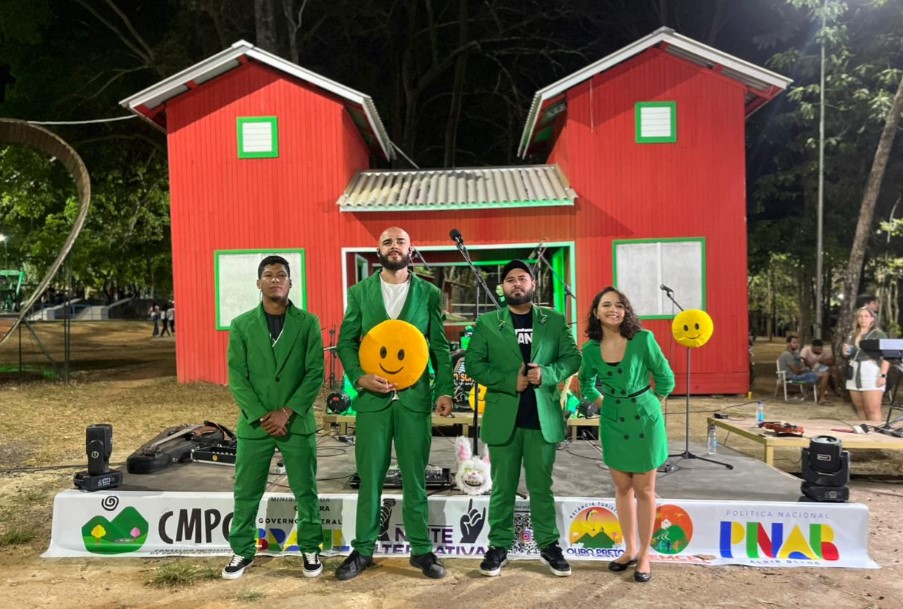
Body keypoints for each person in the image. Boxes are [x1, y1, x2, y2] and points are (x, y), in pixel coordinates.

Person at [335, 226, 454, 580]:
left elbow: (439, 347)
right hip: (373, 400)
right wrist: (358, 377)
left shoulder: (430, 294)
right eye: (387, 241)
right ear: (378, 250)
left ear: (411, 249)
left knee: (415, 477)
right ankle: (363, 549)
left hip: (414, 398)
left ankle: (421, 551)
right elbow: (345, 342)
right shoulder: (359, 293)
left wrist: (444, 389)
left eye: (400, 241)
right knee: (369, 476)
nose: (394, 246)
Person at [464, 260, 581, 578]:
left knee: (541, 487)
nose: (517, 284)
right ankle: (498, 545)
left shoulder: (554, 321)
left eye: (523, 278)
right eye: (510, 280)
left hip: (541, 419)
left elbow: (573, 357)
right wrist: (506, 380)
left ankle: (548, 545)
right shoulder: (488, 323)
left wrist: (549, 374)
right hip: (505, 418)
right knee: (502, 487)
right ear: (502, 288)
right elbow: (473, 364)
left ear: (533, 285)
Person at [222, 255, 325, 580]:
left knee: (305, 489)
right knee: (246, 490)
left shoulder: (308, 323)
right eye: (268, 275)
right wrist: (262, 414)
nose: (275, 279)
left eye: (281, 275)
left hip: (296, 421)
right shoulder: (241, 325)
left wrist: (287, 411)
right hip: (256, 424)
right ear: (259, 283)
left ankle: (310, 548)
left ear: (291, 283)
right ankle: (241, 550)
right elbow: (237, 375)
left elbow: (314, 373)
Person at [577, 287, 674, 583]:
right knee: (622, 488)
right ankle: (629, 548)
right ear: (596, 312)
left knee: (645, 490)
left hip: (645, 421)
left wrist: (650, 404)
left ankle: (645, 554)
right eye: (606, 305)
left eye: (619, 305)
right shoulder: (591, 349)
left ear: (626, 311)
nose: (613, 310)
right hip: (613, 421)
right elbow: (585, 382)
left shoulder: (643, 339)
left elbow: (666, 378)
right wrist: (601, 402)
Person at [843, 306, 890, 421]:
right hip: (854, 371)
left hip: (871, 371)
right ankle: (865, 433)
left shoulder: (878, 334)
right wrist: (844, 352)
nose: (863, 319)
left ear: (872, 319)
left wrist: (883, 375)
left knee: (873, 409)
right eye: (860, 316)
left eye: (866, 316)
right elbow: (848, 354)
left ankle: (877, 436)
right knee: (860, 408)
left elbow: (887, 356)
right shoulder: (852, 334)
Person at [778, 336, 831, 404]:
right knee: (825, 374)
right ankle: (822, 398)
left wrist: (804, 368)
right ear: (788, 344)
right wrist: (805, 369)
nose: (796, 344)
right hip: (792, 377)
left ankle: (819, 394)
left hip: (798, 374)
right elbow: (796, 371)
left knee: (822, 372)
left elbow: (800, 365)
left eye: (797, 343)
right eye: (794, 342)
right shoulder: (787, 355)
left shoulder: (794, 354)